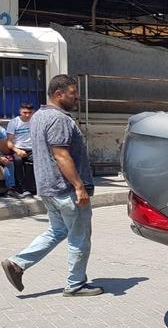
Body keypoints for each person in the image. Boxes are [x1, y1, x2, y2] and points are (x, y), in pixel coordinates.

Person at [2, 75, 102, 296]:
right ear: (58, 94)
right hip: (65, 190)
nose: (76, 98)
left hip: (48, 188)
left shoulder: (38, 117)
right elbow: (61, 155)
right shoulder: (59, 119)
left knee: (57, 231)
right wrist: (79, 186)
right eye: (73, 94)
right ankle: (75, 285)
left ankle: (17, 263)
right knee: (79, 236)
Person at [6, 102, 36, 196]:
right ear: (20, 111)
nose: (27, 115)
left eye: (30, 113)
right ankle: (21, 188)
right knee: (18, 161)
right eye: (25, 112)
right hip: (17, 148)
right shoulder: (14, 122)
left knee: (39, 160)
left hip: (32, 149)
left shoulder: (35, 121)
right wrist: (18, 150)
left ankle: (32, 188)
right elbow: (9, 142)